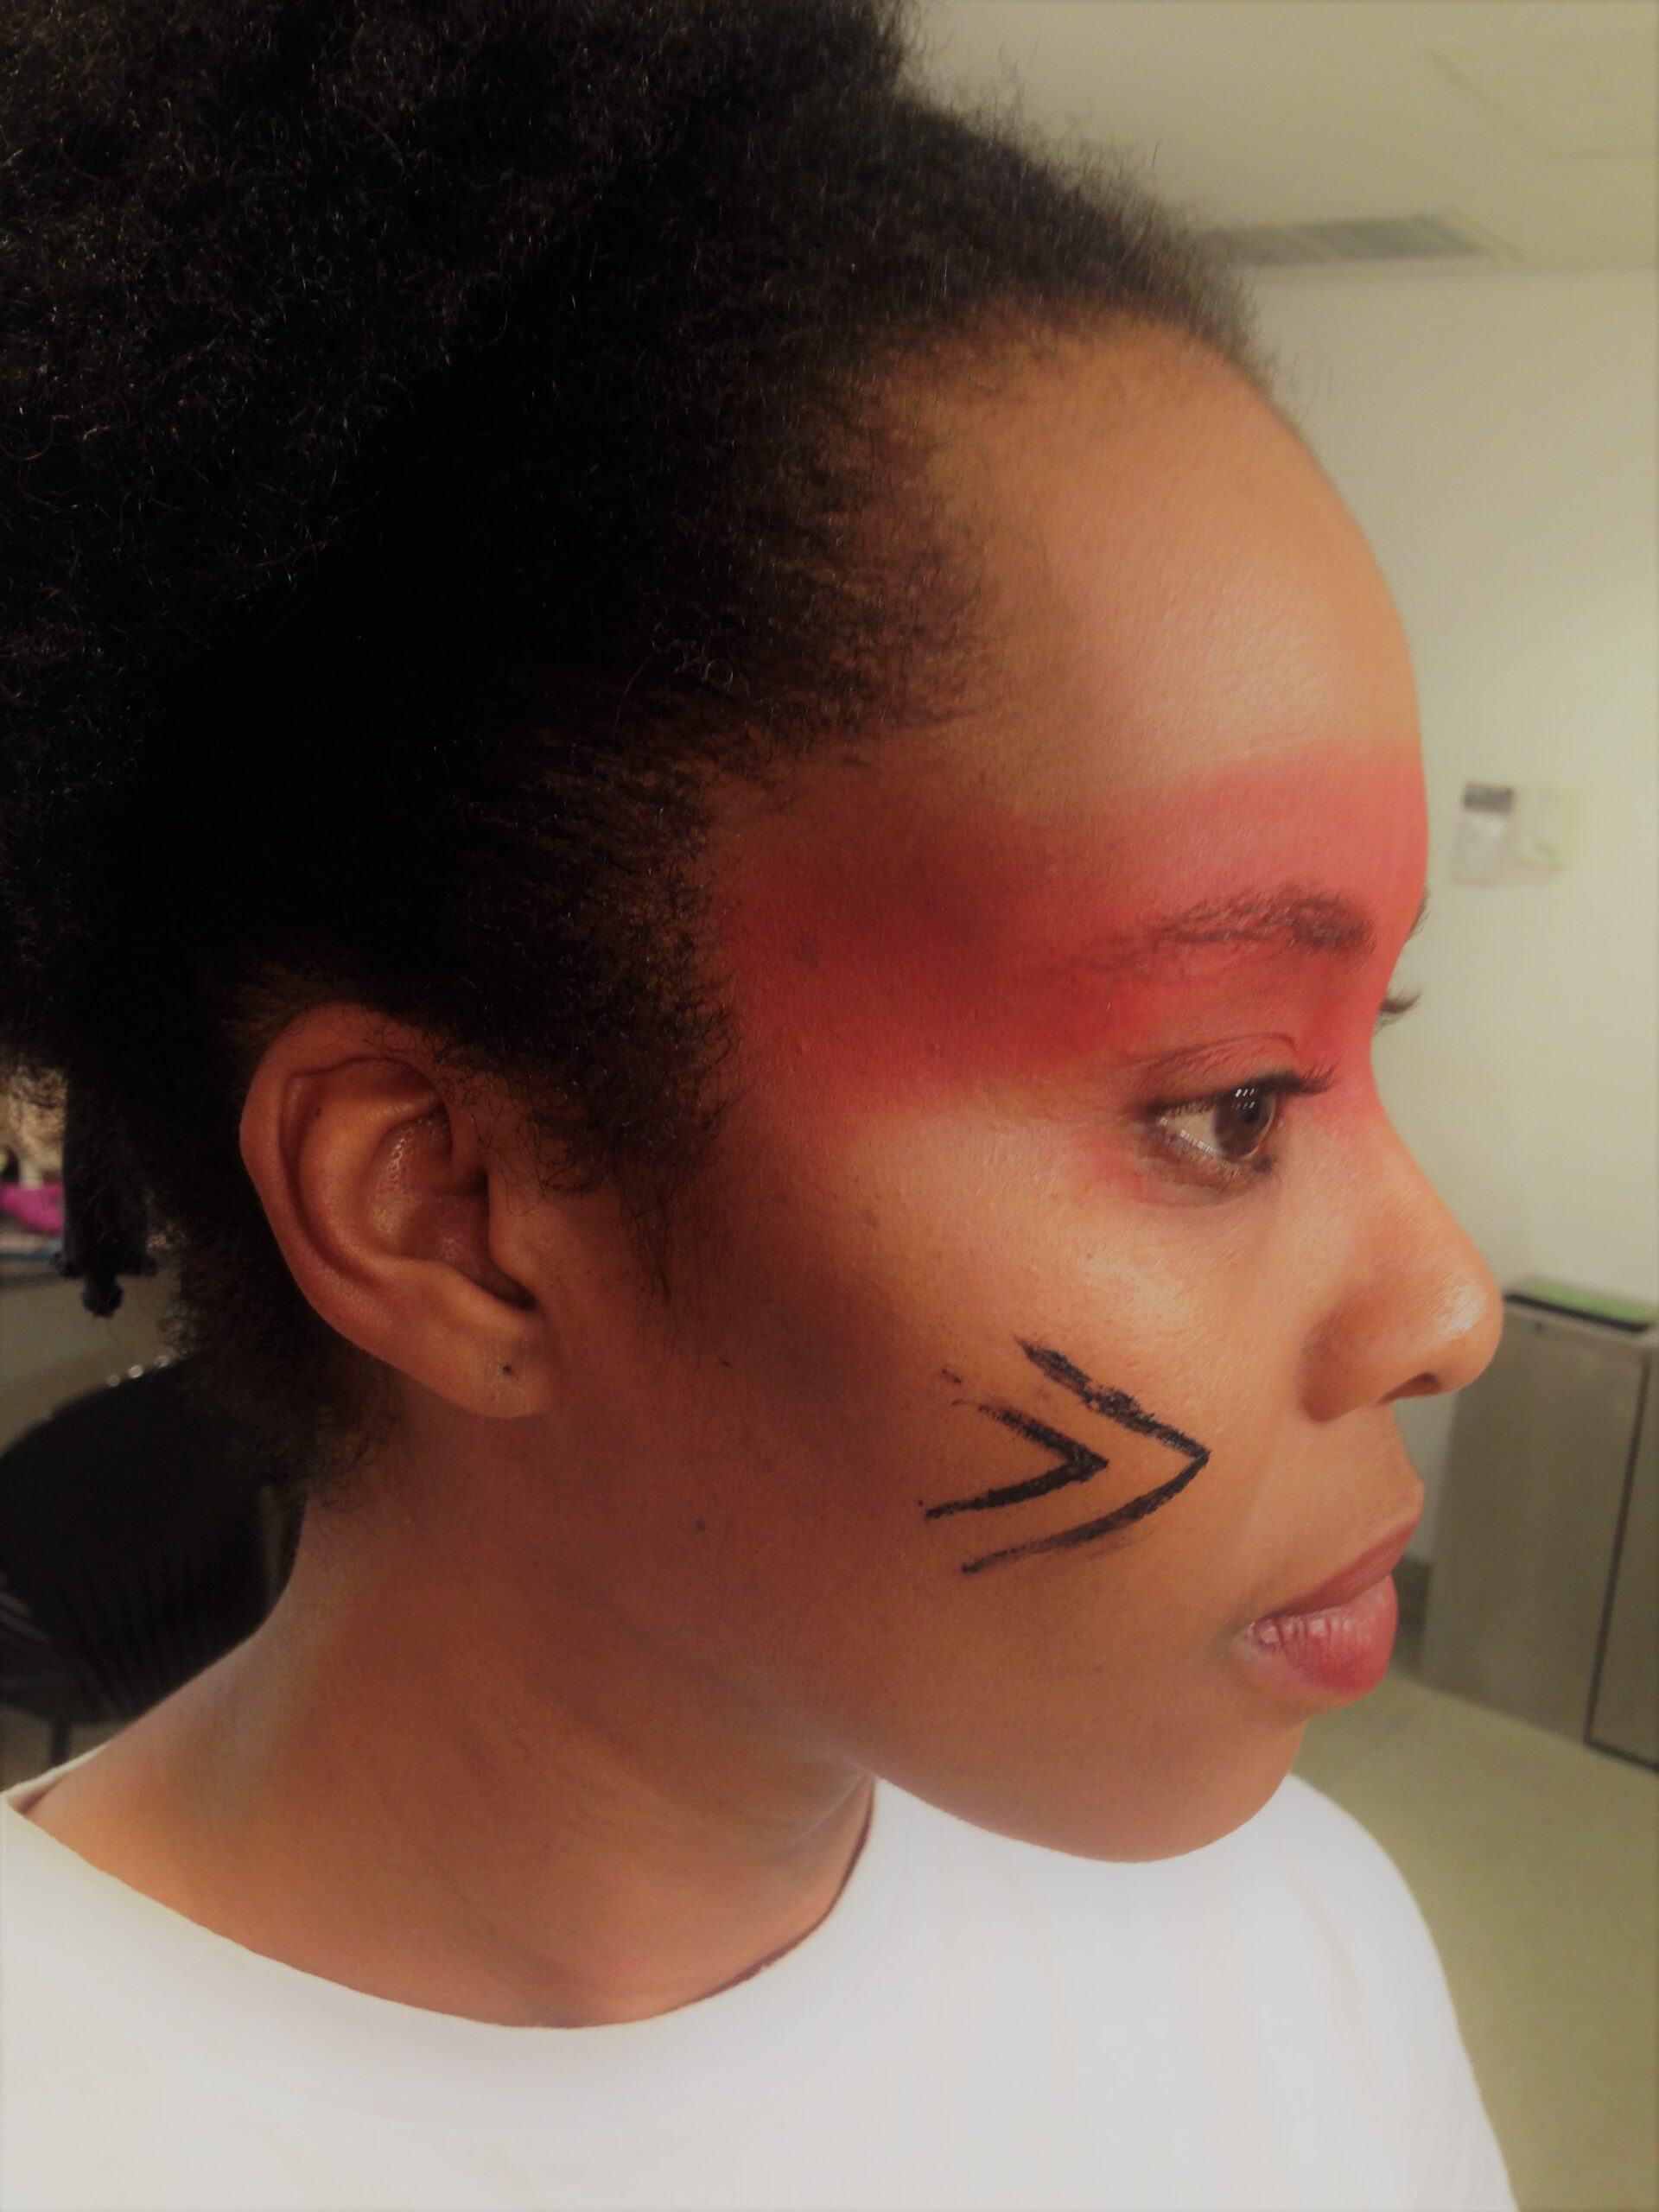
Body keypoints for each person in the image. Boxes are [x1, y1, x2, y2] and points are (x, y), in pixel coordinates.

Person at [0, 2, 1517, 2205]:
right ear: (451, 1210)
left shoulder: (1299, 1955)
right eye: (1228, 1102)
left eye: (1383, 1029)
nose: (1449, 1304)